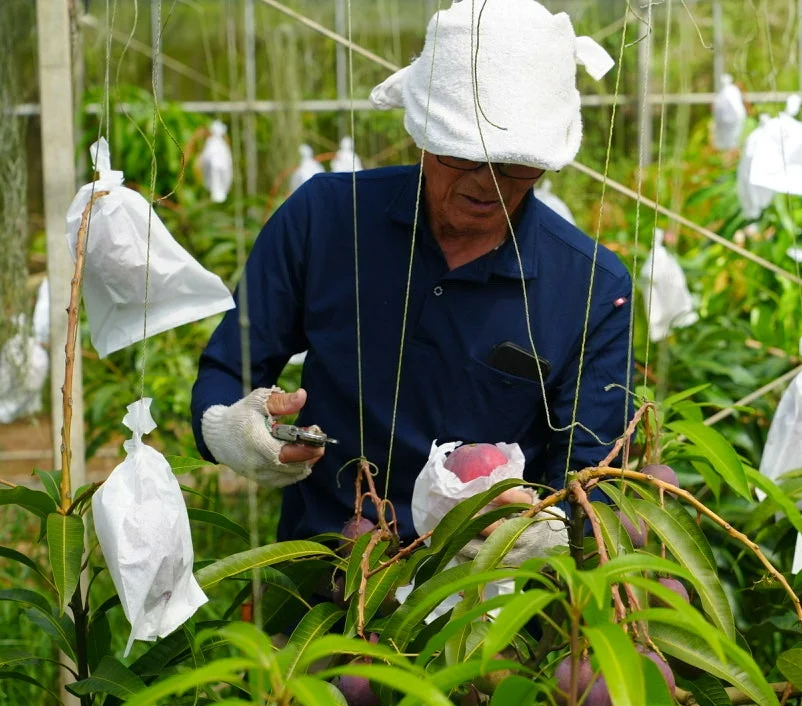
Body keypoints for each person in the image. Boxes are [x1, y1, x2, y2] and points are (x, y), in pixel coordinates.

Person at [190, 0, 633, 566]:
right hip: (323, 579)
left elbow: (590, 472)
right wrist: (231, 428)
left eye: (514, 165)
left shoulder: (591, 284)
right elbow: (229, 369)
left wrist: (547, 530)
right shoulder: (325, 220)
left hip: (482, 605)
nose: (486, 183)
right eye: (462, 155)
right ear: (421, 132)